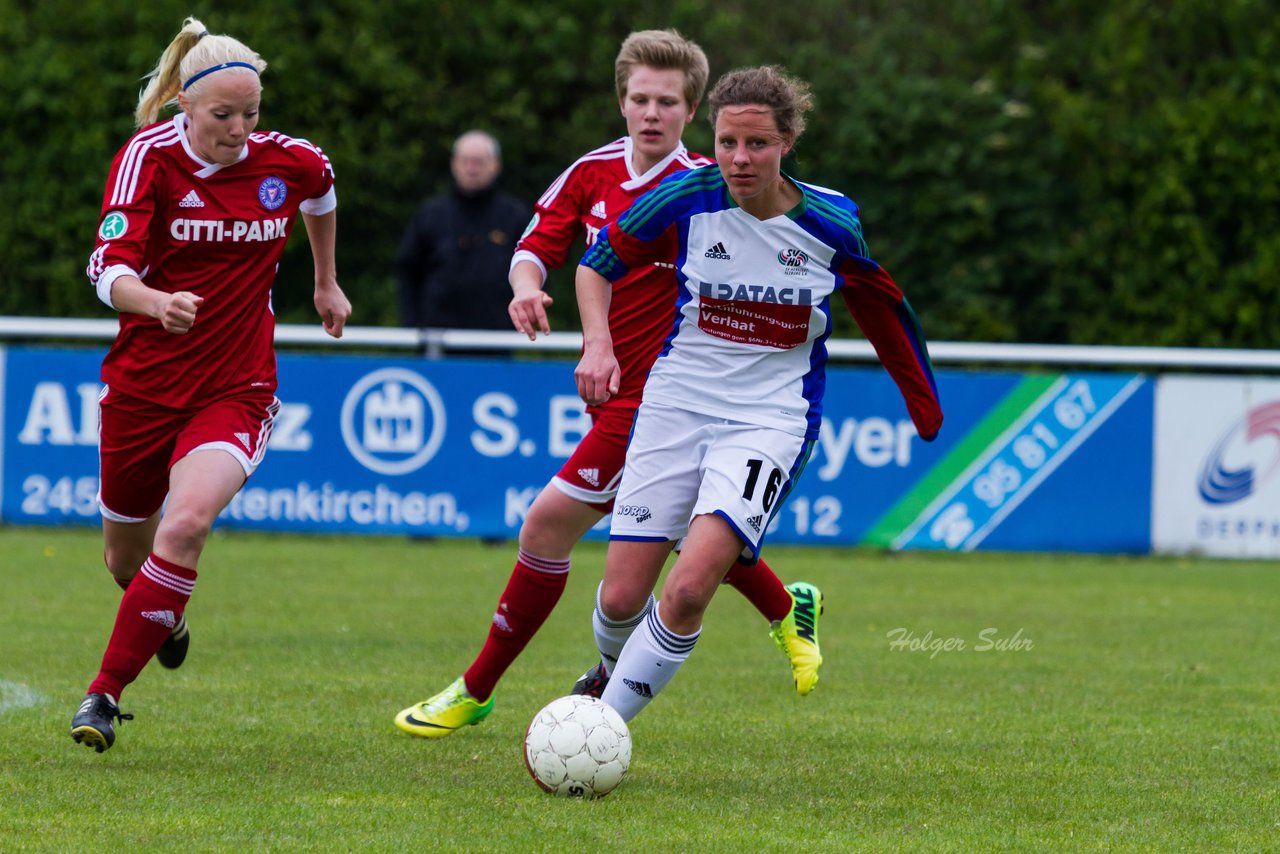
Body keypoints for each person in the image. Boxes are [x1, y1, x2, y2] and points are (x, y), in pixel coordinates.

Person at [394, 31, 821, 739]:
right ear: (621, 102)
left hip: (664, 398)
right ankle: (783, 611)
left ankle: (481, 689)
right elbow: (535, 249)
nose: (651, 113)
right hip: (622, 397)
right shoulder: (591, 173)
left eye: (668, 102)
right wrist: (526, 290)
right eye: (639, 99)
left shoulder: (712, 187)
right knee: (674, 545)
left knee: (547, 526)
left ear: (691, 112)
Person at [572, 65, 944, 723]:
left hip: (771, 418)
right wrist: (597, 344)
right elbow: (597, 266)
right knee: (622, 597)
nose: (740, 160)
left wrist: (922, 403)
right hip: (676, 403)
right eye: (727, 143)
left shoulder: (832, 224)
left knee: (688, 588)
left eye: (758, 144)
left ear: (788, 142)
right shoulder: (686, 197)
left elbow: (884, 309)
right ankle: (606, 673)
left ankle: (602, 727)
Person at [70, 17, 351, 752]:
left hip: (237, 386)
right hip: (142, 386)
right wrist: (154, 302)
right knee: (124, 560)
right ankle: (166, 611)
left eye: (250, 114)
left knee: (187, 524)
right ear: (185, 107)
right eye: (222, 116)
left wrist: (325, 283)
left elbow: (321, 193)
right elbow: (105, 269)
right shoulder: (147, 159)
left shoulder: (287, 163)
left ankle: (102, 695)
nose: (238, 129)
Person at [395, 130, 530, 332]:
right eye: (465, 161)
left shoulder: (516, 216)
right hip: (437, 340)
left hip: (498, 340)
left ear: (496, 165)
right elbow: (407, 272)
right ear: (454, 164)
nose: (471, 169)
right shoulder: (431, 214)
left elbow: (533, 270)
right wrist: (413, 325)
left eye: (479, 162)